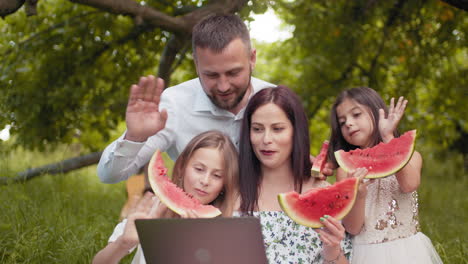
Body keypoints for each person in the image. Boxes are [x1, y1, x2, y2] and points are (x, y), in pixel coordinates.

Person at [97, 14, 274, 184]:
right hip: (196, 212)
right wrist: (134, 137)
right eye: (211, 75)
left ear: (252, 59)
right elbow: (109, 176)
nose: (223, 86)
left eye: (233, 73)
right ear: (197, 65)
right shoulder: (175, 105)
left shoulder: (275, 101)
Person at [236, 85, 358, 264]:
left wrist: (332, 250)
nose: (266, 139)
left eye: (277, 129)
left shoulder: (324, 194)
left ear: (296, 132)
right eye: (257, 129)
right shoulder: (231, 191)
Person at [328, 87, 442, 263]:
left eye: (356, 114)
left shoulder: (412, 156)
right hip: (367, 253)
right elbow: (353, 228)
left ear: (375, 112)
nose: (349, 123)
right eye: (342, 122)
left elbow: (409, 184)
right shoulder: (345, 170)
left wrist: (388, 137)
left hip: (409, 251)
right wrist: (359, 196)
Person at [93, 130, 239, 264]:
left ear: (225, 183)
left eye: (217, 175)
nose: (205, 181)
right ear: (182, 167)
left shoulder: (231, 228)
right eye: (199, 169)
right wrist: (123, 243)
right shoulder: (151, 209)